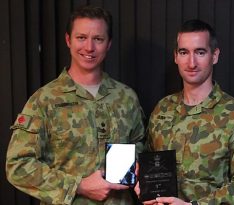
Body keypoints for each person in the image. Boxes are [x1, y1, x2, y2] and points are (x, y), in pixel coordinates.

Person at [6, 5, 145, 205]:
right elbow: (17, 166)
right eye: (81, 38)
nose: (89, 47)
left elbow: (140, 146)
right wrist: (78, 185)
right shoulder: (45, 100)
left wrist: (139, 166)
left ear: (109, 44)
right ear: (68, 40)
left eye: (98, 39)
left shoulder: (126, 97)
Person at [140, 19, 234, 205]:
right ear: (175, 56)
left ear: (214, 56)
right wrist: (142, 183)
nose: (191, 62)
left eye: (200, 52)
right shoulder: (162, 109)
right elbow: (151, 167)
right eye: (184, 52)